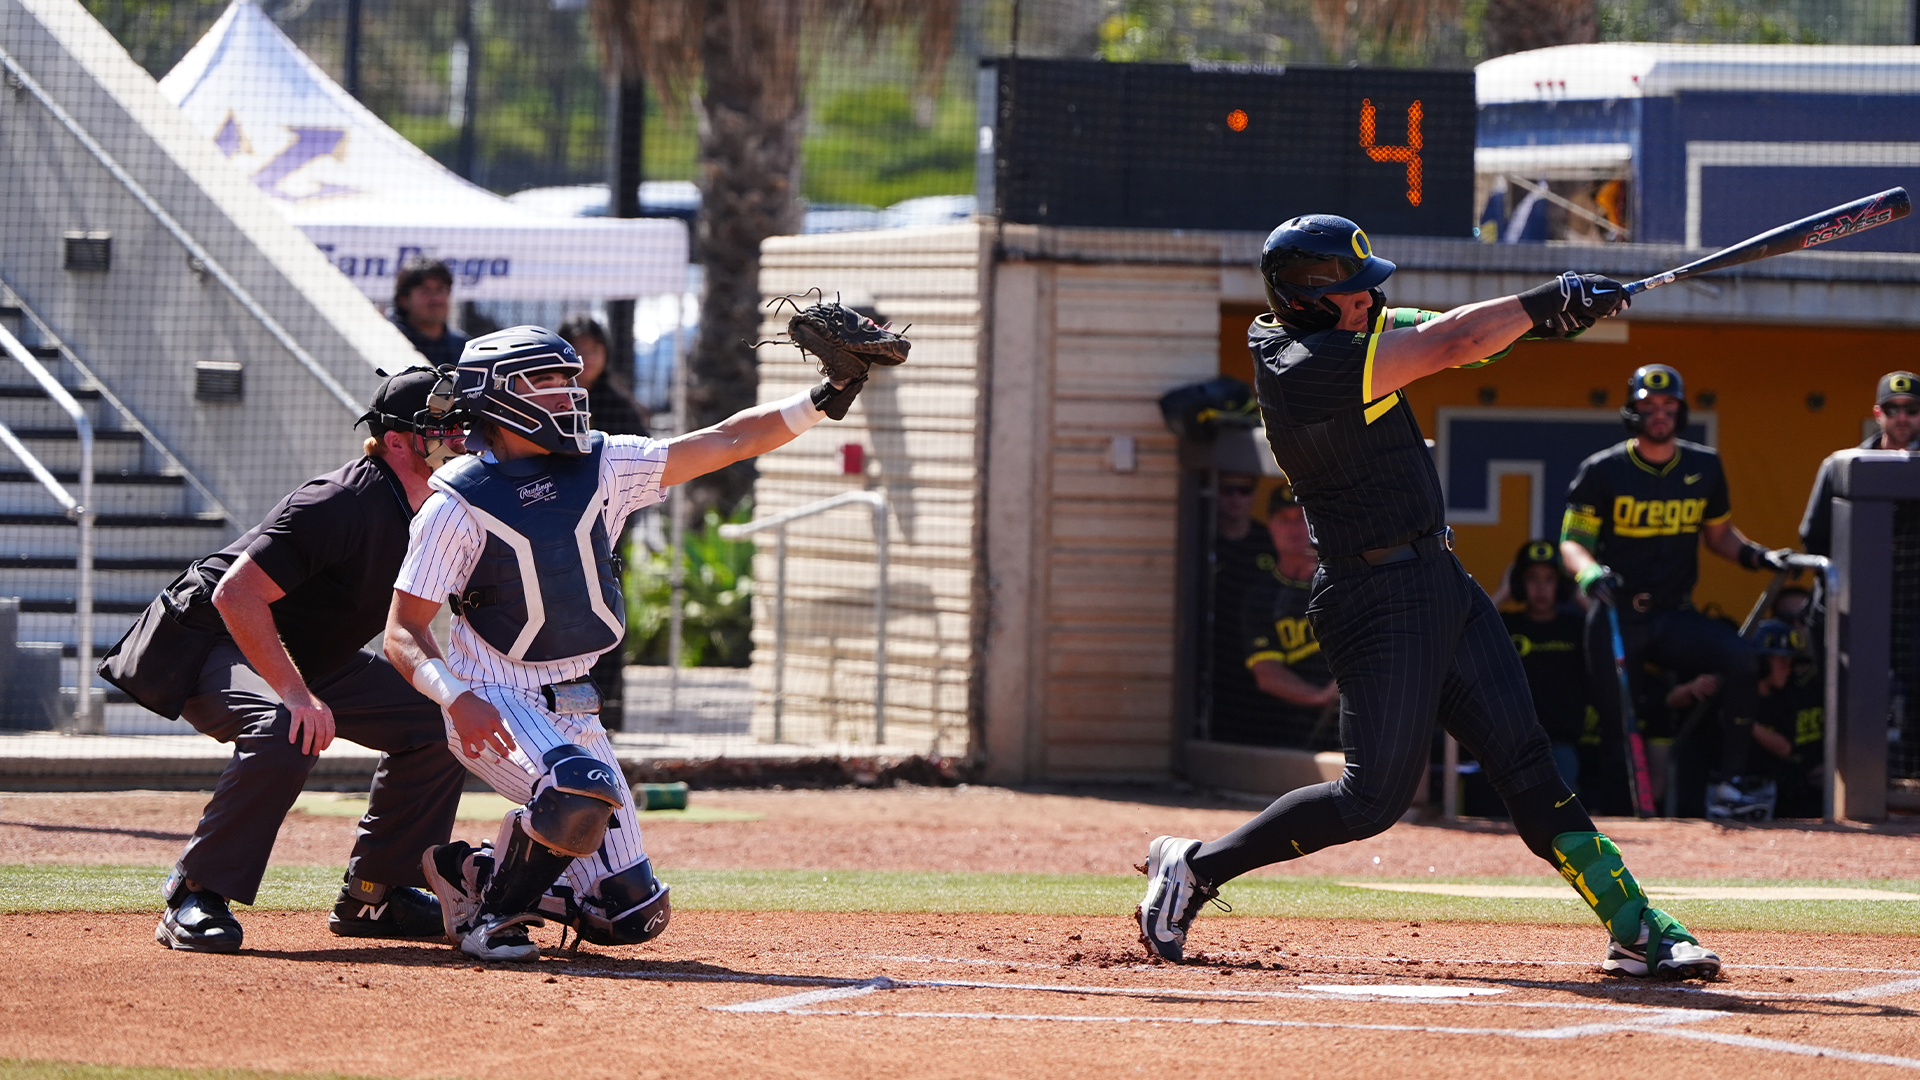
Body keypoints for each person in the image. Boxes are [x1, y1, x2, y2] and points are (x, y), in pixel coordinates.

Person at [1137, 214, 1720, 980]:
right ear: (1308, 301)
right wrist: (1549, 299)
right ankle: (1195, 868)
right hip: (1372, 596)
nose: (1368, 300)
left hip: (1438, 582)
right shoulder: (1303, 363)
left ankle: (1636, 926)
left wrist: (1555, 316)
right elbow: (1448, 347)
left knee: (1528, 763)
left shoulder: (1340, 327)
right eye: (1351, 291)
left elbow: (1449, 328)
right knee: (1370, 800)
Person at [384, 325, 879, 962]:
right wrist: (453, 698)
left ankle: (474, 871)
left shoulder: (605, 462)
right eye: (547, 382)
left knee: (631, 914)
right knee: (575, 791)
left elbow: (729, 438)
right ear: (496, 397)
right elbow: (404, 631)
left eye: (568, 379)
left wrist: (827, 395)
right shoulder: (455, 502)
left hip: (578, 710)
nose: (569, 393)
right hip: (493, 699)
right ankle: (491, 919)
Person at [127, 368, 471, 952]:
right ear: (395, 441)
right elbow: (234, 595)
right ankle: (195, 892)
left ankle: (373, 895)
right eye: (443, 426)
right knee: (288, 726)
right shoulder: (338, 502)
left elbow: (405, 630)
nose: (461, 436)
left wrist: (453, 694)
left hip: (305, 655)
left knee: (438, 722)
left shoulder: (433, 508)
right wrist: (295, 693)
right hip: (213, 642)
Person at [1559, 364, 1794, 822]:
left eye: (1669, 407)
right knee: (1618, 724)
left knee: (1742, 658)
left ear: (1681, 412)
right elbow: (1572, 542)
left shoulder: (1704, 465)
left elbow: (1720, 537)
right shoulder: (1602, 470)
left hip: (1673, 615)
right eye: (1649, 406)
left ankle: (1729, 786)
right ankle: (1619, 824)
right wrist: (1589, 574)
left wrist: (1760, 557)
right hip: (1615, 614)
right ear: (1633, 410)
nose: (1660, 414)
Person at [557, 313, 649, 732]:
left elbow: (646, 469)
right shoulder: (544, 404)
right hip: (549, 531)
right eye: (576, 351)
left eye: (593, 350)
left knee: (607, 616)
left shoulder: (617, 404)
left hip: (603, 535)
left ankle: (605, 712)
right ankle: (556, 709)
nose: (586, 359)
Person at [1237, 487, 1336, 748]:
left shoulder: (1344, 582)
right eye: (1284, 519)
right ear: (1271, 527)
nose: (1294, 528)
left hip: (1355, 722)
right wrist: (1320, 697)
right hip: (1289, 733)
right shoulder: (1260, 597)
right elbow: (1266, 674)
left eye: (1302, 519)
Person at [1499, 540, 1590, 789]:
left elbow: (1613, 639)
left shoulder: (1578, 626)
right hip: (1512, 743)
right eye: (1531, 578)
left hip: (1561, 743)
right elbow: (1464, 629)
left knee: (1561, 811)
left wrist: (1580, 596)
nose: (1540, 588)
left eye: (1550, 579)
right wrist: (1504, 592)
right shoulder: (1504, 624)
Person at [1799, 370, 1920, 558]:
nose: (1902, 418)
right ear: (1878, 414)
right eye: (1892, 410)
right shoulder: (1840, 468)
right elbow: (1814, 537)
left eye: (1912, 409)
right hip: (1861, 582)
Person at [1206, 473, 1277, 741]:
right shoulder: (1202, 538)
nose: (1235, 499)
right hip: (1216, 650)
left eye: (1244, 491)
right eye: (1227, 490)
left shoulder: (1268, 541)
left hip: (1261, 648)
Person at [1748, 619, 1825, 819]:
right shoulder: (1740, 693)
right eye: (1783, 662)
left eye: (1791, 663)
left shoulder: (1786, 697)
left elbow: (1785, 748)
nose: (1789, 669)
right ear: (1762, 662)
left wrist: (1746, 723)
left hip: (1788, 792)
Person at [391, 258, 470, 368]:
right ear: (404, 300)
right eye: (425, 290)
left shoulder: (463, 347)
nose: (436, 299)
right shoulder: (390, 342)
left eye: (440, 289)